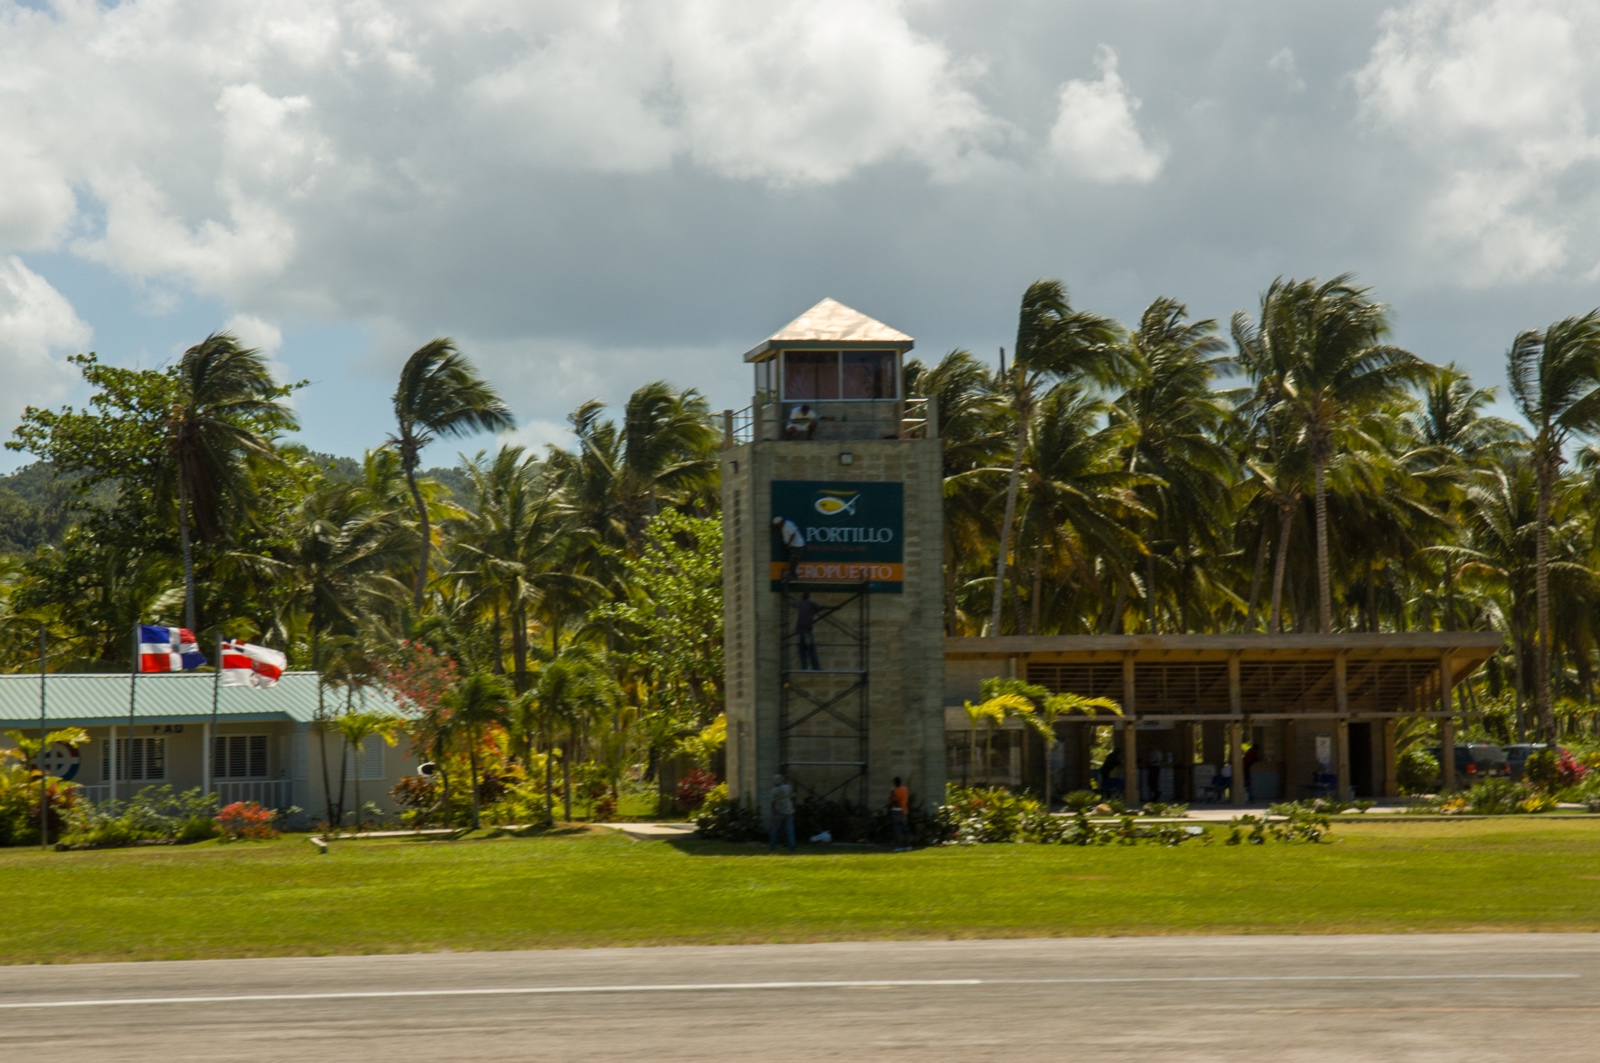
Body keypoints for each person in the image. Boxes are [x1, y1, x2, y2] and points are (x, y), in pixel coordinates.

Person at [789, 591, 824, 670]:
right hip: (807, 630)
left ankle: (804, 667)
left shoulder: (799, 603)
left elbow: (791, 603)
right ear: (808, 596)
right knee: (810, 649)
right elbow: (819, 607)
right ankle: (815, 667)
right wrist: (813, 612)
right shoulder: (811, 603)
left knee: (802, 650)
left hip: (800, 630)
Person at [768, 773, 796, 853]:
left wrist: (773, 813)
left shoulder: (773, 791)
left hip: (779, 811)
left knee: (775, 829)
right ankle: (792, 846)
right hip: (789, 810)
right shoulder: (788, 787)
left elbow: (773, 803)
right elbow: (792, 797)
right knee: (790, 829)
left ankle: (772, 846)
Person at [772, 516, 805, 583]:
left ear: (781, 522)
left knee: (793, 561)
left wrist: (789, 544)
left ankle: (793, 576)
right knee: (792, 561)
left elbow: (793, 534)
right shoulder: (783, 526)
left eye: (778, 524)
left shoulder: (788, 525)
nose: (778, 526)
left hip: (797, 545)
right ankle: (791, 575)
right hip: (793, 546)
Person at [888, 776, 911, 851]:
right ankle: (908, 845)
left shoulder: (894, 791)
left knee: (897, 828)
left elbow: (891, 800)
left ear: (894, 783)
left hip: (896, 810)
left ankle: (899, 846)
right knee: (904, 828)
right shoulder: (905, 789)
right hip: (904, 810)